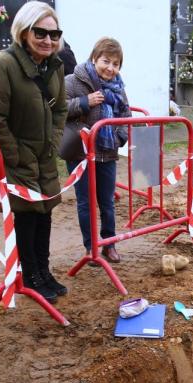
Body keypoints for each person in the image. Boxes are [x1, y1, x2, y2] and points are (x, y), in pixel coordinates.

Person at [0, 1, 67, 303]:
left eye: (54, 34)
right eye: (40, 32)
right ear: (24, 31)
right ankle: (30, 276)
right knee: (26, 217)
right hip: (16, 160)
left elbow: (60, 109)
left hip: (44, 157)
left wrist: (52, 143)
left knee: (45, 214)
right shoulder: (3, 66)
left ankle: (44, 271)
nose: (48, 40)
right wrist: (15, 155)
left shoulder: (54, 66)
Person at [60, 36, 130, 265]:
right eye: (106, 61)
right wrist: (84, 102)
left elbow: (126, 115)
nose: (110, 68)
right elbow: (58, 109)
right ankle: (91, 248)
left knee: (107, 202)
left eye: (115, 64)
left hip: (107, 153)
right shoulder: (73, 81)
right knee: (85, 202)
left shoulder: (119, 88)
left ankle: (109, 244)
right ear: (94, 58)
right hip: (80, 153)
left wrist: (119, 138)